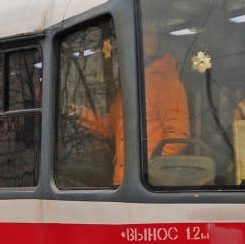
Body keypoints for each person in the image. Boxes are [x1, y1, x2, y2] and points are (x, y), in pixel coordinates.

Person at [68, 23, 189, 185]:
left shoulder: (168, 84)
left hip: (151, 187)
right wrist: (80, 114)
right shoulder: (129, 88)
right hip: (125, 182)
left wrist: (152, 173)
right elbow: (111, 128)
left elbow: (178, 138)